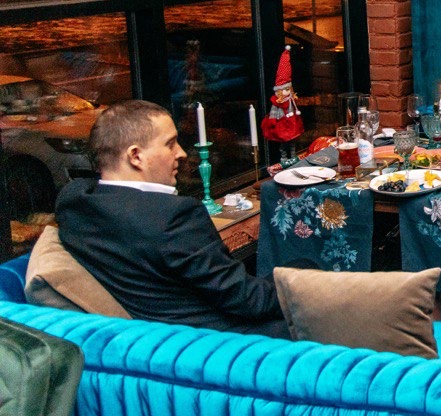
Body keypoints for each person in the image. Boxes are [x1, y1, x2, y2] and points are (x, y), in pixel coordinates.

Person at [55, 100, 287, 334]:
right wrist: (300, 284)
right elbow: (249, 301)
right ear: (136, 156)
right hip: (215, 339)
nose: (182, 153)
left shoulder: (74, 202)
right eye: (170, 144)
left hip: (149, 331)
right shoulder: (174, 217)